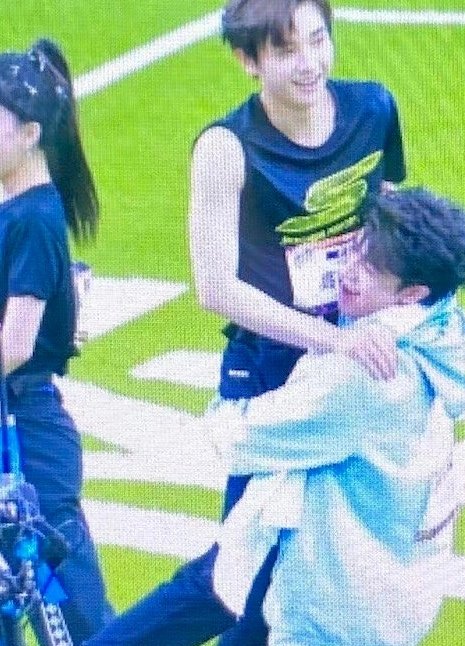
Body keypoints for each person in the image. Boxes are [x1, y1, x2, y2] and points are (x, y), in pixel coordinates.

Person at [84, 1, 406, 644]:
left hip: (351, 369)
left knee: (296, 582)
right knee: (234, 578)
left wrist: (399, 308)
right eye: (286, 50)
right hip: (269, 373)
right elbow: (216, 288)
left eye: (318, 40)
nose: (309, 63)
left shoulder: (373, 109)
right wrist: (333, 340)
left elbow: (390, 213)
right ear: (247, 61)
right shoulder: (226, 149)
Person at [209, 187, 465, 645]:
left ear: (411, 293)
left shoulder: (362, 377)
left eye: (371, 269)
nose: (348, 272)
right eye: (354, 249)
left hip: (334, 607)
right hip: (396, 592)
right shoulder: (450, 332)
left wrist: (235, 383)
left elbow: (238, 439)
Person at [0, 39, 115, 642]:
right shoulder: (18, 208)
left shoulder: (35, 220)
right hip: (16, 422)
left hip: (26, 438)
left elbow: (14, 346)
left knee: (59, 594)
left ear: (30, 134)